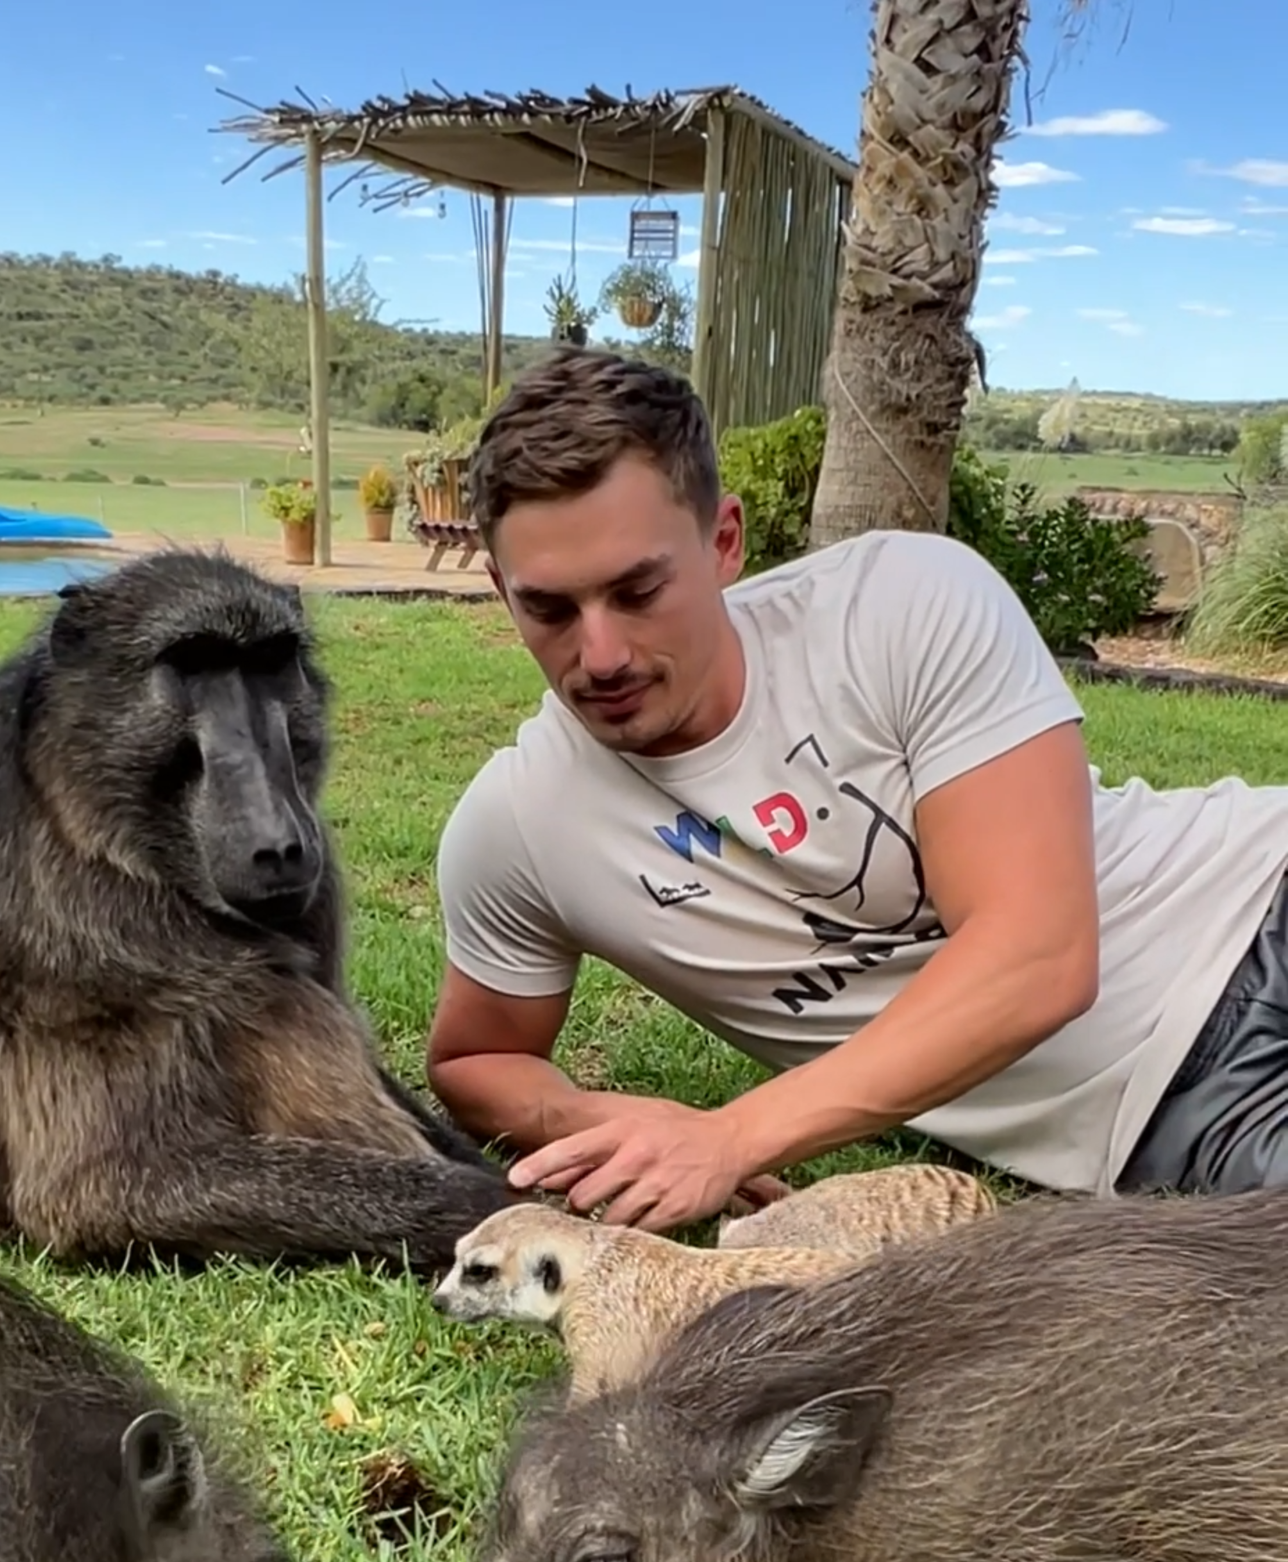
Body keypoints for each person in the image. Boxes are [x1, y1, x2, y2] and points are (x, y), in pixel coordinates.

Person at [422, 345, 1288, 1234]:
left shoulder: (899, 604)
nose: (599, 654)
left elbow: (1038, 958)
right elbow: (477, 1057)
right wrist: (609, 1125)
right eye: (551, 610)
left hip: (1260, 889)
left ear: (724, 542)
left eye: (639, 589)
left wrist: (732, 1137)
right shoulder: (522, 827)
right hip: (1177, 1111)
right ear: (501, 589)